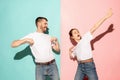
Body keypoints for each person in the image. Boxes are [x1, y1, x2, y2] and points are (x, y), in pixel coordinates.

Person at [69, 9, 113, 80]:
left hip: (89, 65)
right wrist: (69, 51)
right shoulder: (76, 47)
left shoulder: (85, 38)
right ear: (72, 37)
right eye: (75, 32)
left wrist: (106, 17)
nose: (77, 33)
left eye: (78, 32)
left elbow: (95, 27)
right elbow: (71, 56)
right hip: (80, 66)